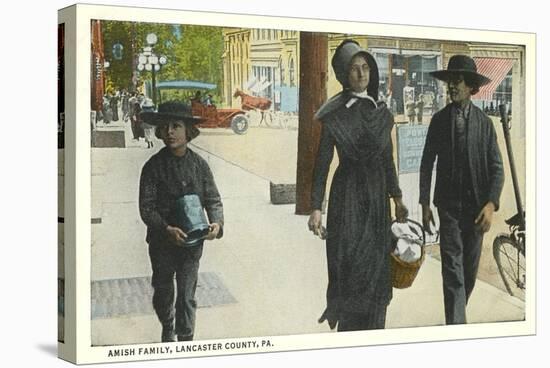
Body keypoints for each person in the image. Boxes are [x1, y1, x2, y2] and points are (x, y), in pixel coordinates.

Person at [308, 40, 408, 332]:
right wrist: (316, 207)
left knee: (378, 269)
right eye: (354, 69)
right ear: (343, 75)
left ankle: (375, 331)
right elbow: (323, 163)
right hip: (348, 198)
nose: (361, 74)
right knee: (349, 264)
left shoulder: (381, 112)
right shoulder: (333, 114)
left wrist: (398, 197)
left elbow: (387, 159)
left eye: (365, 67)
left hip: (378, 200)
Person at [419, 55, 504, 325]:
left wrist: (491, 205)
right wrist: (424, 205)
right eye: (450, 82)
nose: (452, 87)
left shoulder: (484, 124)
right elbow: (426, 164)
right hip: (449, 208)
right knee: (453, 271)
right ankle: (457, 327)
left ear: (471, 87)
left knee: (468, 272)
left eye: (458, 82)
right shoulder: (439, 121)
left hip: (477, 210)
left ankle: (456, 316)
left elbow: (497, 169)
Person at [139, 101, 224, 342]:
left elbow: (213, 199)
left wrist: (216, 224)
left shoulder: (199, 165)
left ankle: (186, 339)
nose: (170, 132)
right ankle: (167, 324)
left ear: (189, 130)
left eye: (176, 126)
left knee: (187, 294)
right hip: (162, 242)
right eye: (165, 126)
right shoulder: (153, 167)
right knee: (164, 290)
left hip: (192, 241)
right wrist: (166, 229)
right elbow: (146, 208)